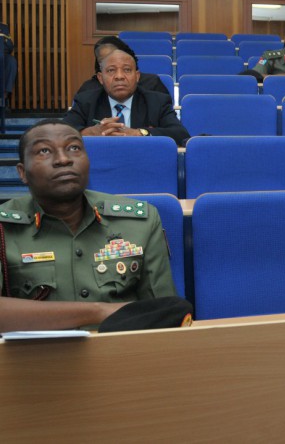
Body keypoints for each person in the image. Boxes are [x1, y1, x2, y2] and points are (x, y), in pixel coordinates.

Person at [0, 119, 176, 331]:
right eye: (44, 151)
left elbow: (163, 313)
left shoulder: (140, 221)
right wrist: (98, 311)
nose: (63, 159)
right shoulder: (4, 228)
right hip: (36, 360)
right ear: (22, 172)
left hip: (122, 357)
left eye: (74, 148)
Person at [64, 48, 190, 146]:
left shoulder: (157, 101)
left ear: (137, 76)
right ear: (100, 78)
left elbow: (181, 135)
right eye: (111, 70)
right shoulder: (86, 101)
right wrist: (91, 132)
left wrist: (139, 133)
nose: (119, 76)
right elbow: (61, 133)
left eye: (127, 70)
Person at [74, 36, 172, 101]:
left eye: (113, 56)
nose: (119, 76)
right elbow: (71, 127)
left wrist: (143, 132)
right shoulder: (88, 89)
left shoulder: (152, 83)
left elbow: (171, 128)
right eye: (103, 60)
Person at [0, 22, 17, 102]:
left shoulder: (3, 27)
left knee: (11, 61)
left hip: (2, 55)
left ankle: (4, 96)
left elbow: (10, 47)